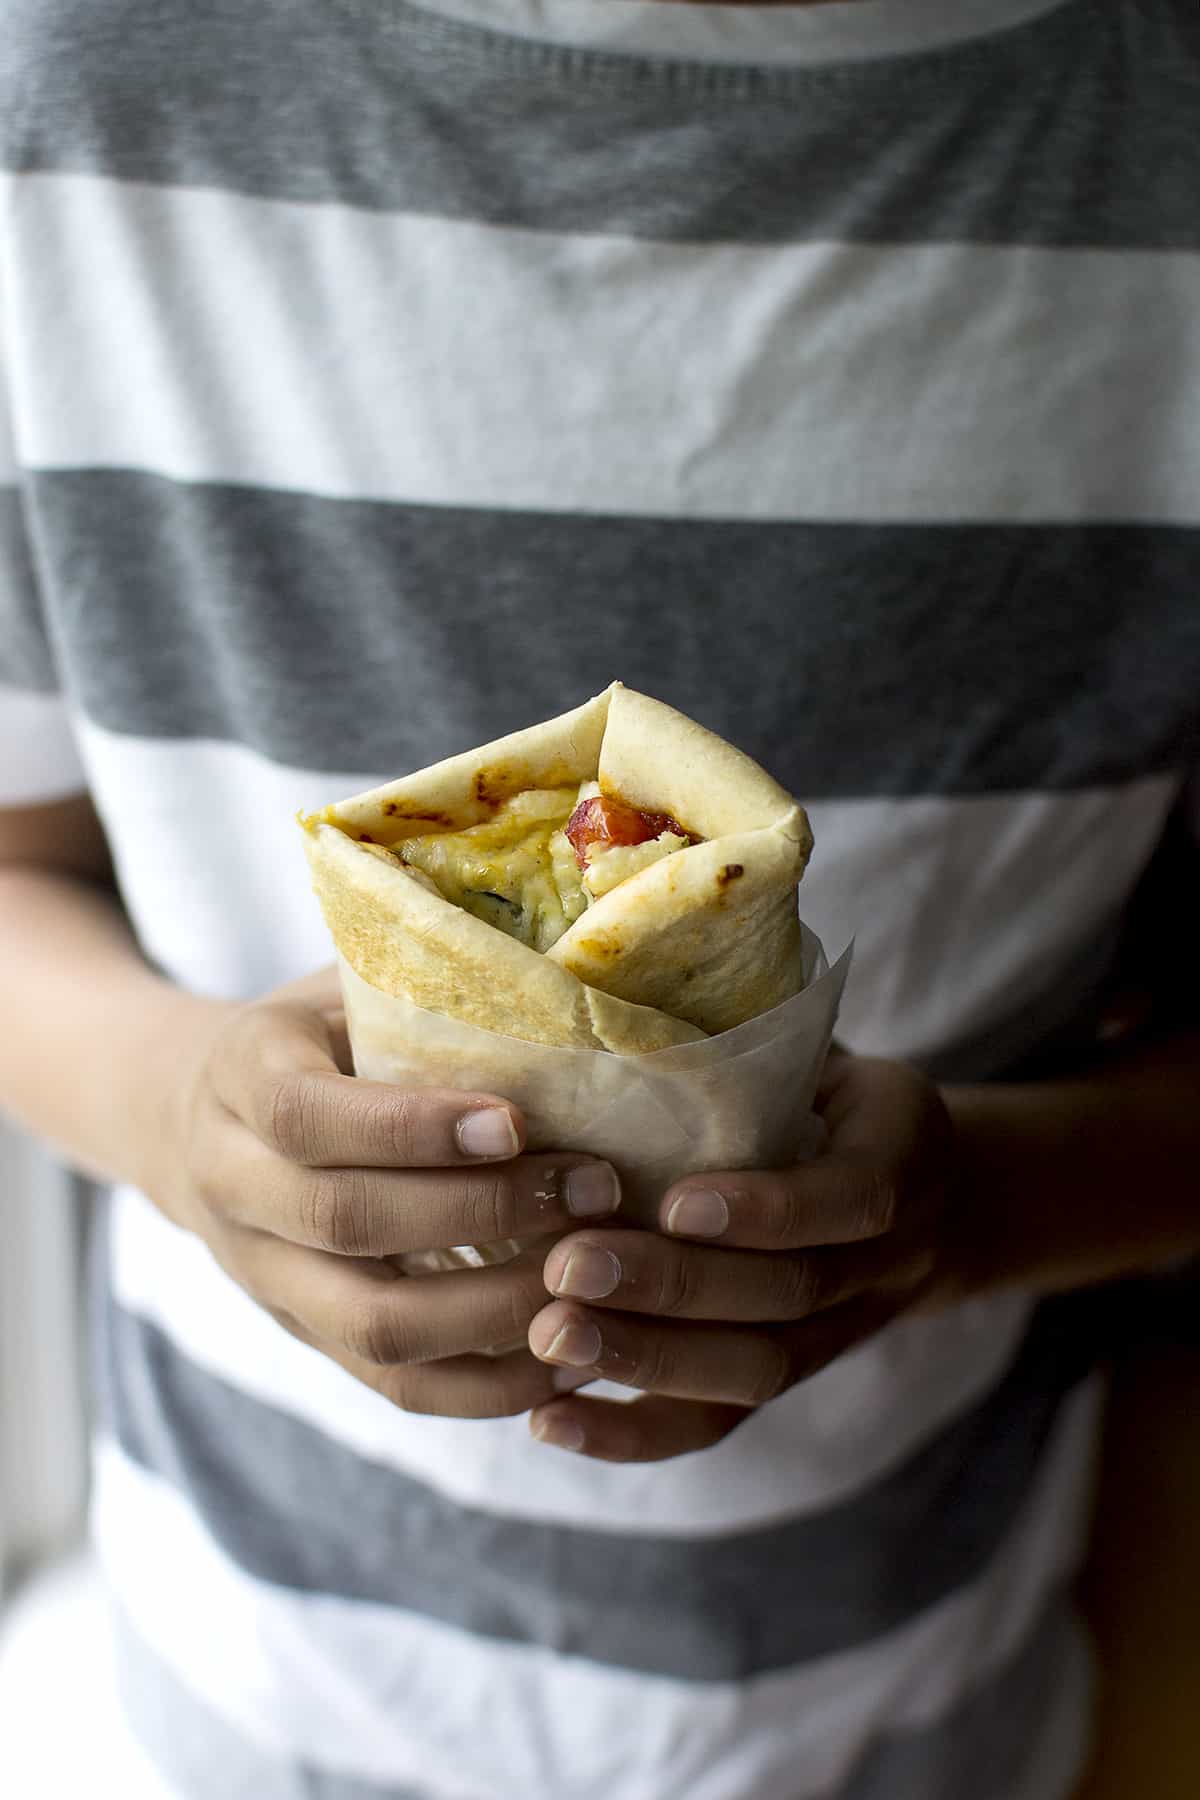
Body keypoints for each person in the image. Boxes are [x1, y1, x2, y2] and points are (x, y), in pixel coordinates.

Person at [0, 0, 1197, 1794]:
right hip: (236, 1683)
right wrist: (184, 1116)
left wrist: (970, 1213)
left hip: (913, 1690)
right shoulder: (79, 96)